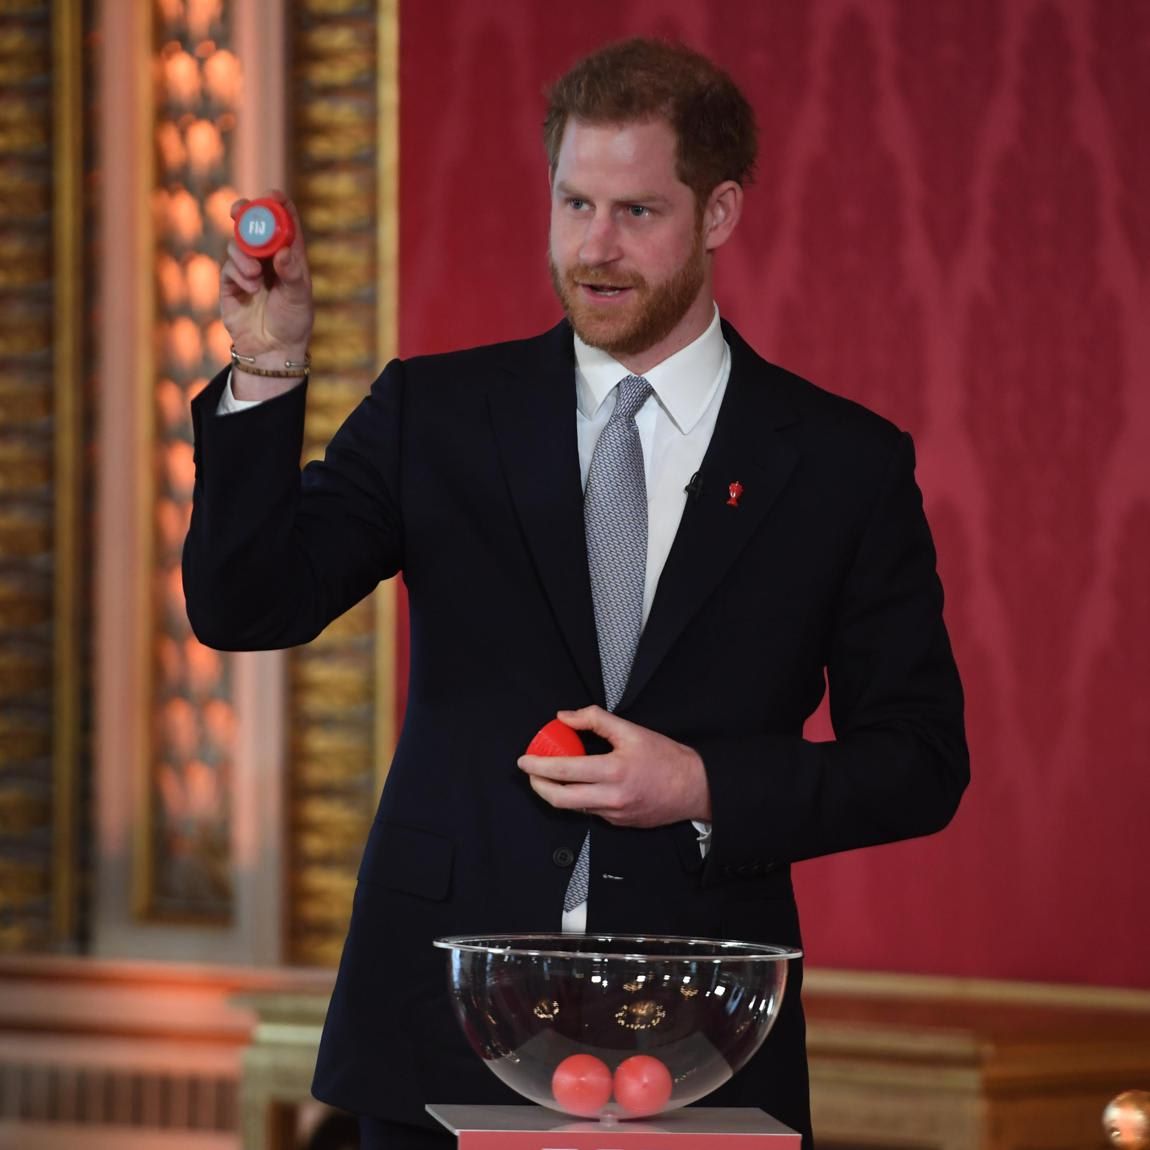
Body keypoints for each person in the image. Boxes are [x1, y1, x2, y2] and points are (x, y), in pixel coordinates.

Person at [184, 37, 968, 1150]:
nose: (593, 249)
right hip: (438, 1040)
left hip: (702, 1045)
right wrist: (266, 373)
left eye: (636, 212)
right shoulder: (434, 415)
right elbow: (242, 606)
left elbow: (922, 763)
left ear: (719, 213)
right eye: (573, 203)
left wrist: (699, 783)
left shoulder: (842, 465)